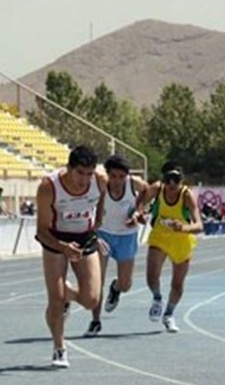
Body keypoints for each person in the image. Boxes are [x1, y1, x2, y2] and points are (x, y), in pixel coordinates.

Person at [35, 145, 107, 367]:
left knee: (91, 300)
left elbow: (101, 198)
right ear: (69, 168)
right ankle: (59, 347)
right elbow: (41, 231)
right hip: (55, 238)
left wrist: (98, 221)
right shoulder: (49, 187)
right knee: (55, 300)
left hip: (84, 236)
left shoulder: (100, 181)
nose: (84, 180)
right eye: (79, 173)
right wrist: (63, 247)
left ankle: (69, 293)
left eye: (88, 174)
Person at [136, 162, 203, 333]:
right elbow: (140, 202)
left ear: (182, 180)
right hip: (159, 236)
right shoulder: (157, 189)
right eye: (168, 179)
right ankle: (157, 297)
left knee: (177, 284)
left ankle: (169, 314)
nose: (172, 184)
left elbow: (199, 225)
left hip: (181, 240)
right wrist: (139, 213)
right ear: (162, 179)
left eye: (176, 179)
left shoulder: (186, 195)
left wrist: (183, 227)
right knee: (151, 276)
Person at [85, 155, 148, 337]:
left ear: (126, 176)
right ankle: (95, 321)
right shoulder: (101, 184)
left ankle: (116, 288)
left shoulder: (133, 183)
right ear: (108, 174)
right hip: (104, 235)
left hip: (127, 236)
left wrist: (138, 210)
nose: (117, 181)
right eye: (114, 176)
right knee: (97, 280)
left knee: (126, 284)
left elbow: (147, 191)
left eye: (121, 177)